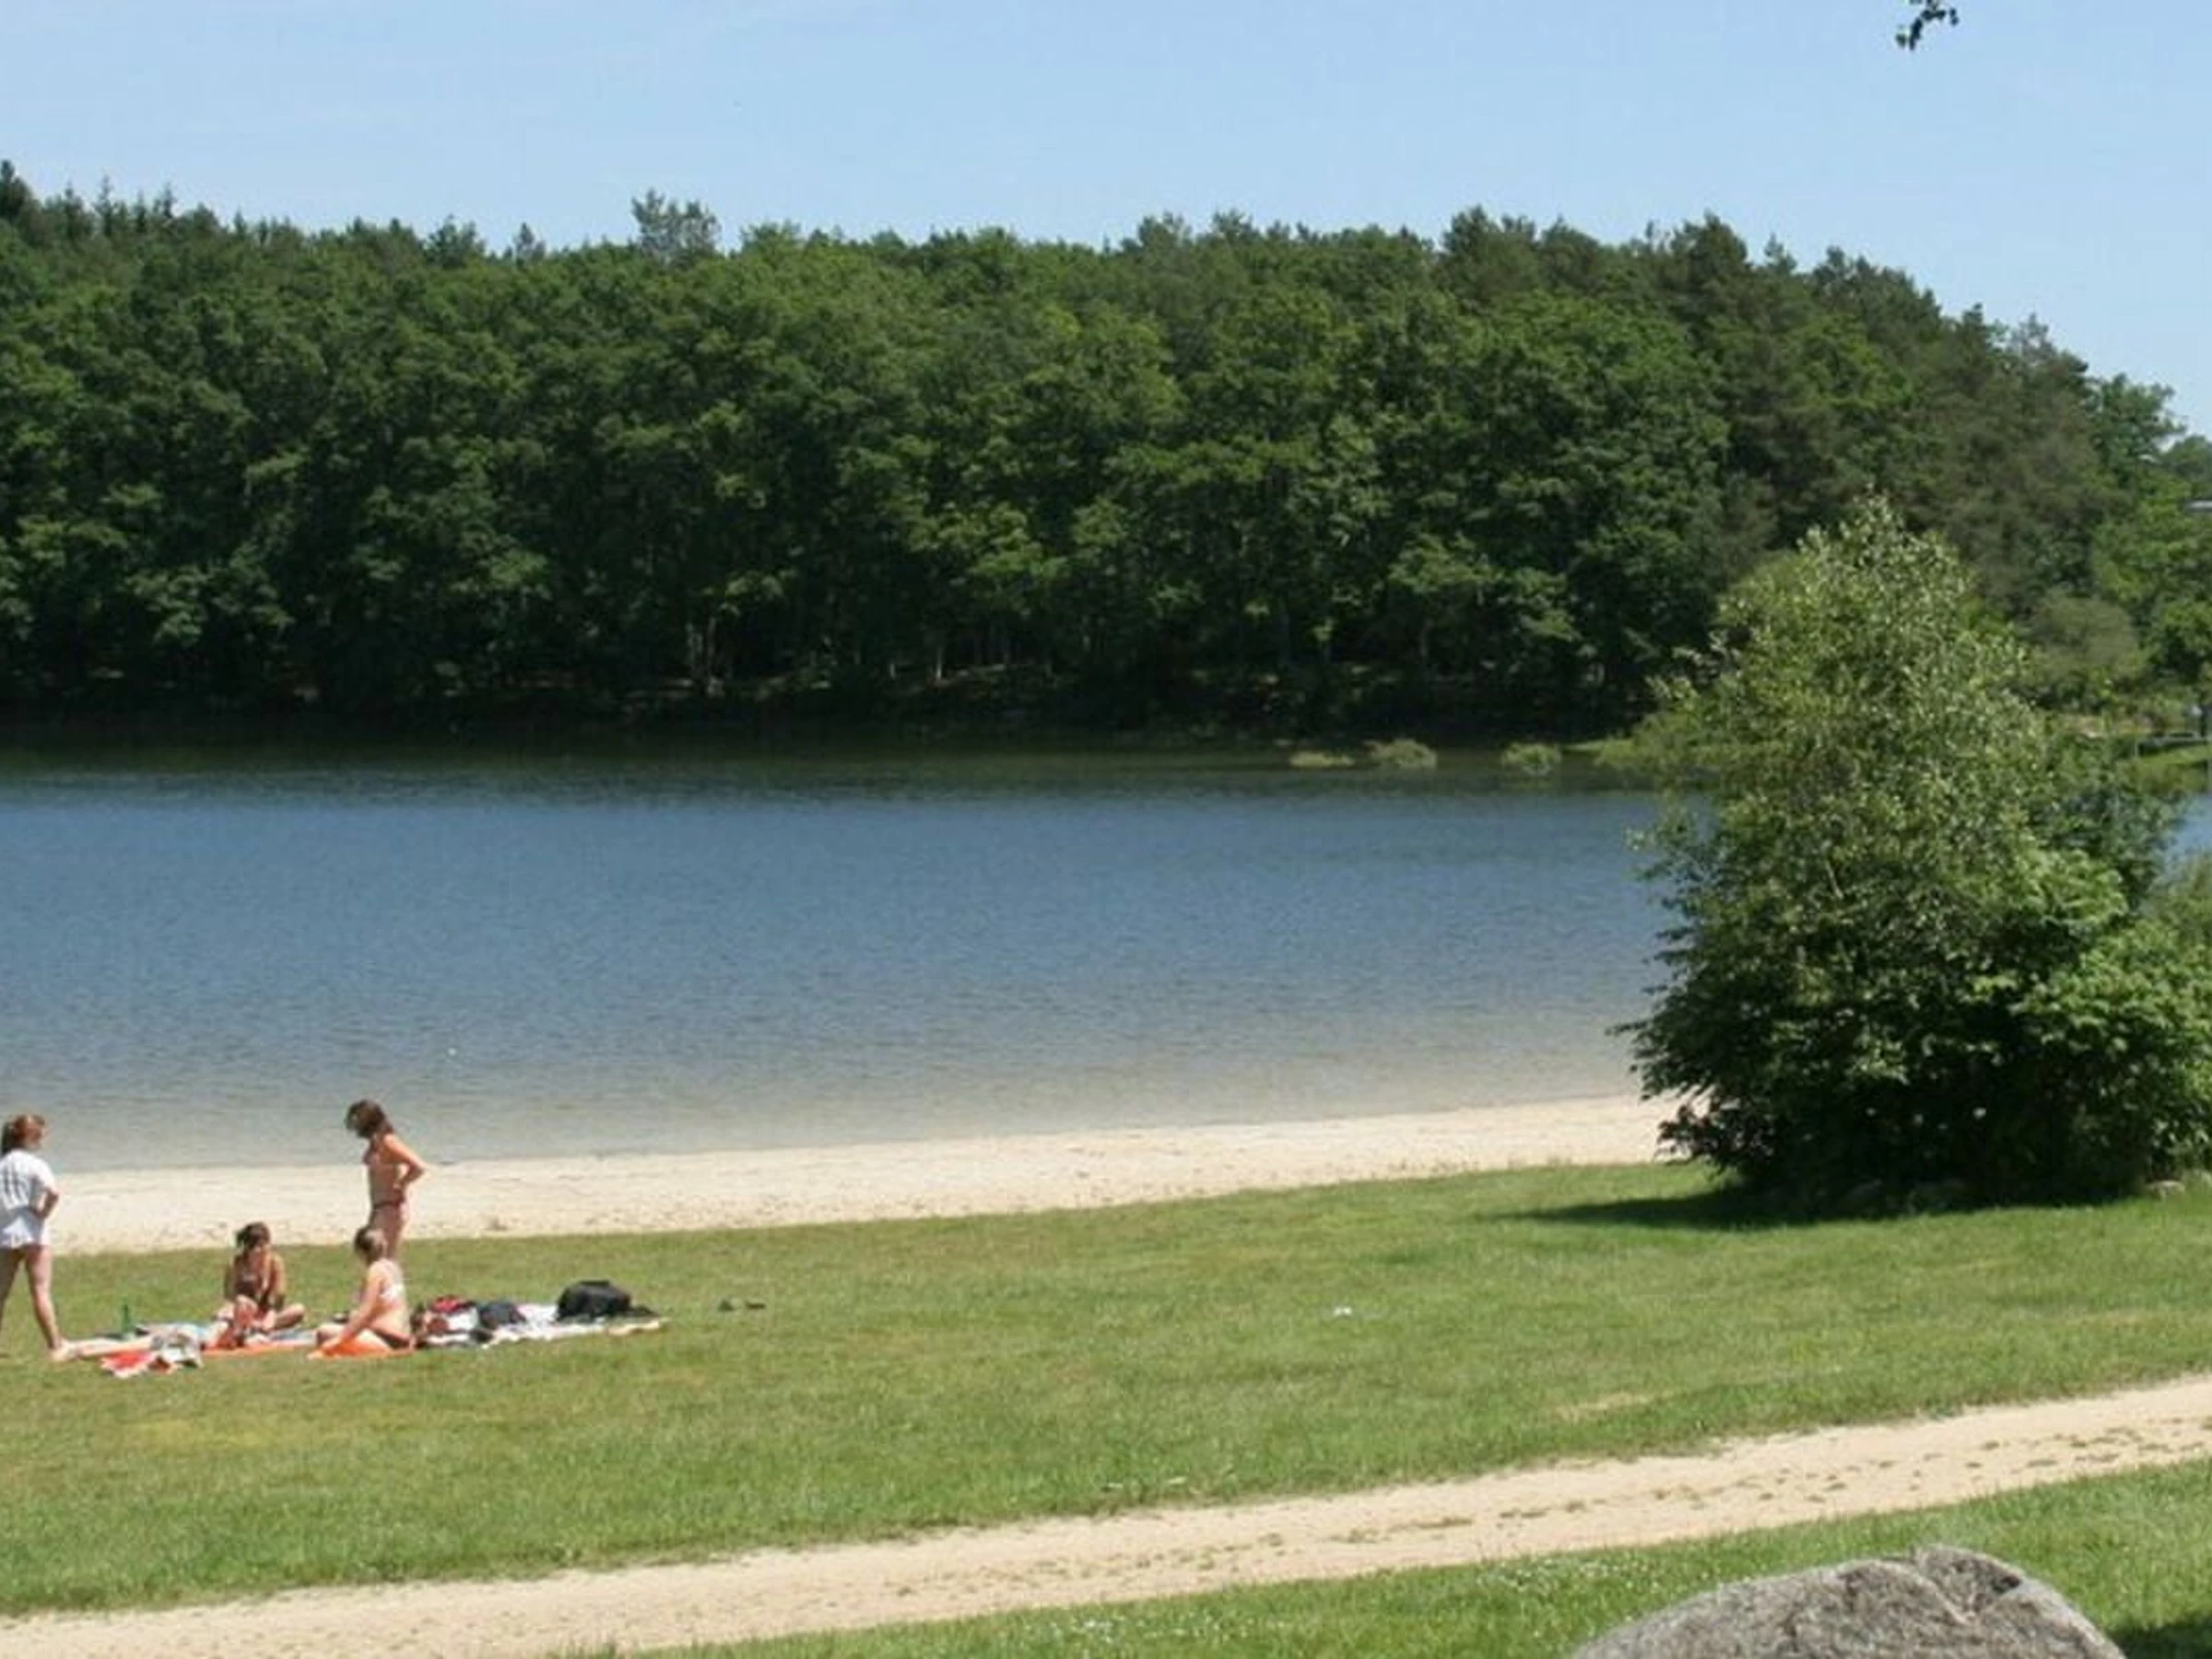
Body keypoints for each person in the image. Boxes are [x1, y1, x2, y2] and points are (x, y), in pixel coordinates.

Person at [0, 1112, 69, 1359]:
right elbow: (54, 1193)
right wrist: (44, 1212)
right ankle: (55, 1346)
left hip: (4, 1234)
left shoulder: (3, 1163)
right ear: (31, 1137)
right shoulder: (34, 1164)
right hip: (32, 1232)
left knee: (1, 1293)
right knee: (40, 1291)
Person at [344, 1098, 426, 1255]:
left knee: (384, 1259)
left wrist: (401, 1184)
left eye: (358, 1119)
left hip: (390, 1207)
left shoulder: (388, 1141)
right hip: (380, 1207)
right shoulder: (376, 1142)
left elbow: (418, 1167)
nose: (355, 1124)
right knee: (374, 1256)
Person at [314, 1226, 413, 1355]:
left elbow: (364, 1313)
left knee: (323, 1332)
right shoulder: (393, 1267)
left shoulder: (375, 1271)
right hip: (403, 1338)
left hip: (386, 1341)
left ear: (360, 1252)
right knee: (343, 1324)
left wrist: (338, 1340)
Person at [212, 1221, 306, 1348]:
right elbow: (230, 1296)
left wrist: (271, 1314)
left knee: (298, 1310)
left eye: (262, 1246)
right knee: (235, 1306)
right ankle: (247, 1330)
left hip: (266, 1313)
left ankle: (254, 1329)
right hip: (242, 1311)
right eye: (254, 1247)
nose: (258, 1251)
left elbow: (279, 1295)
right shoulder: (236, 1264)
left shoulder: (275, 1263)